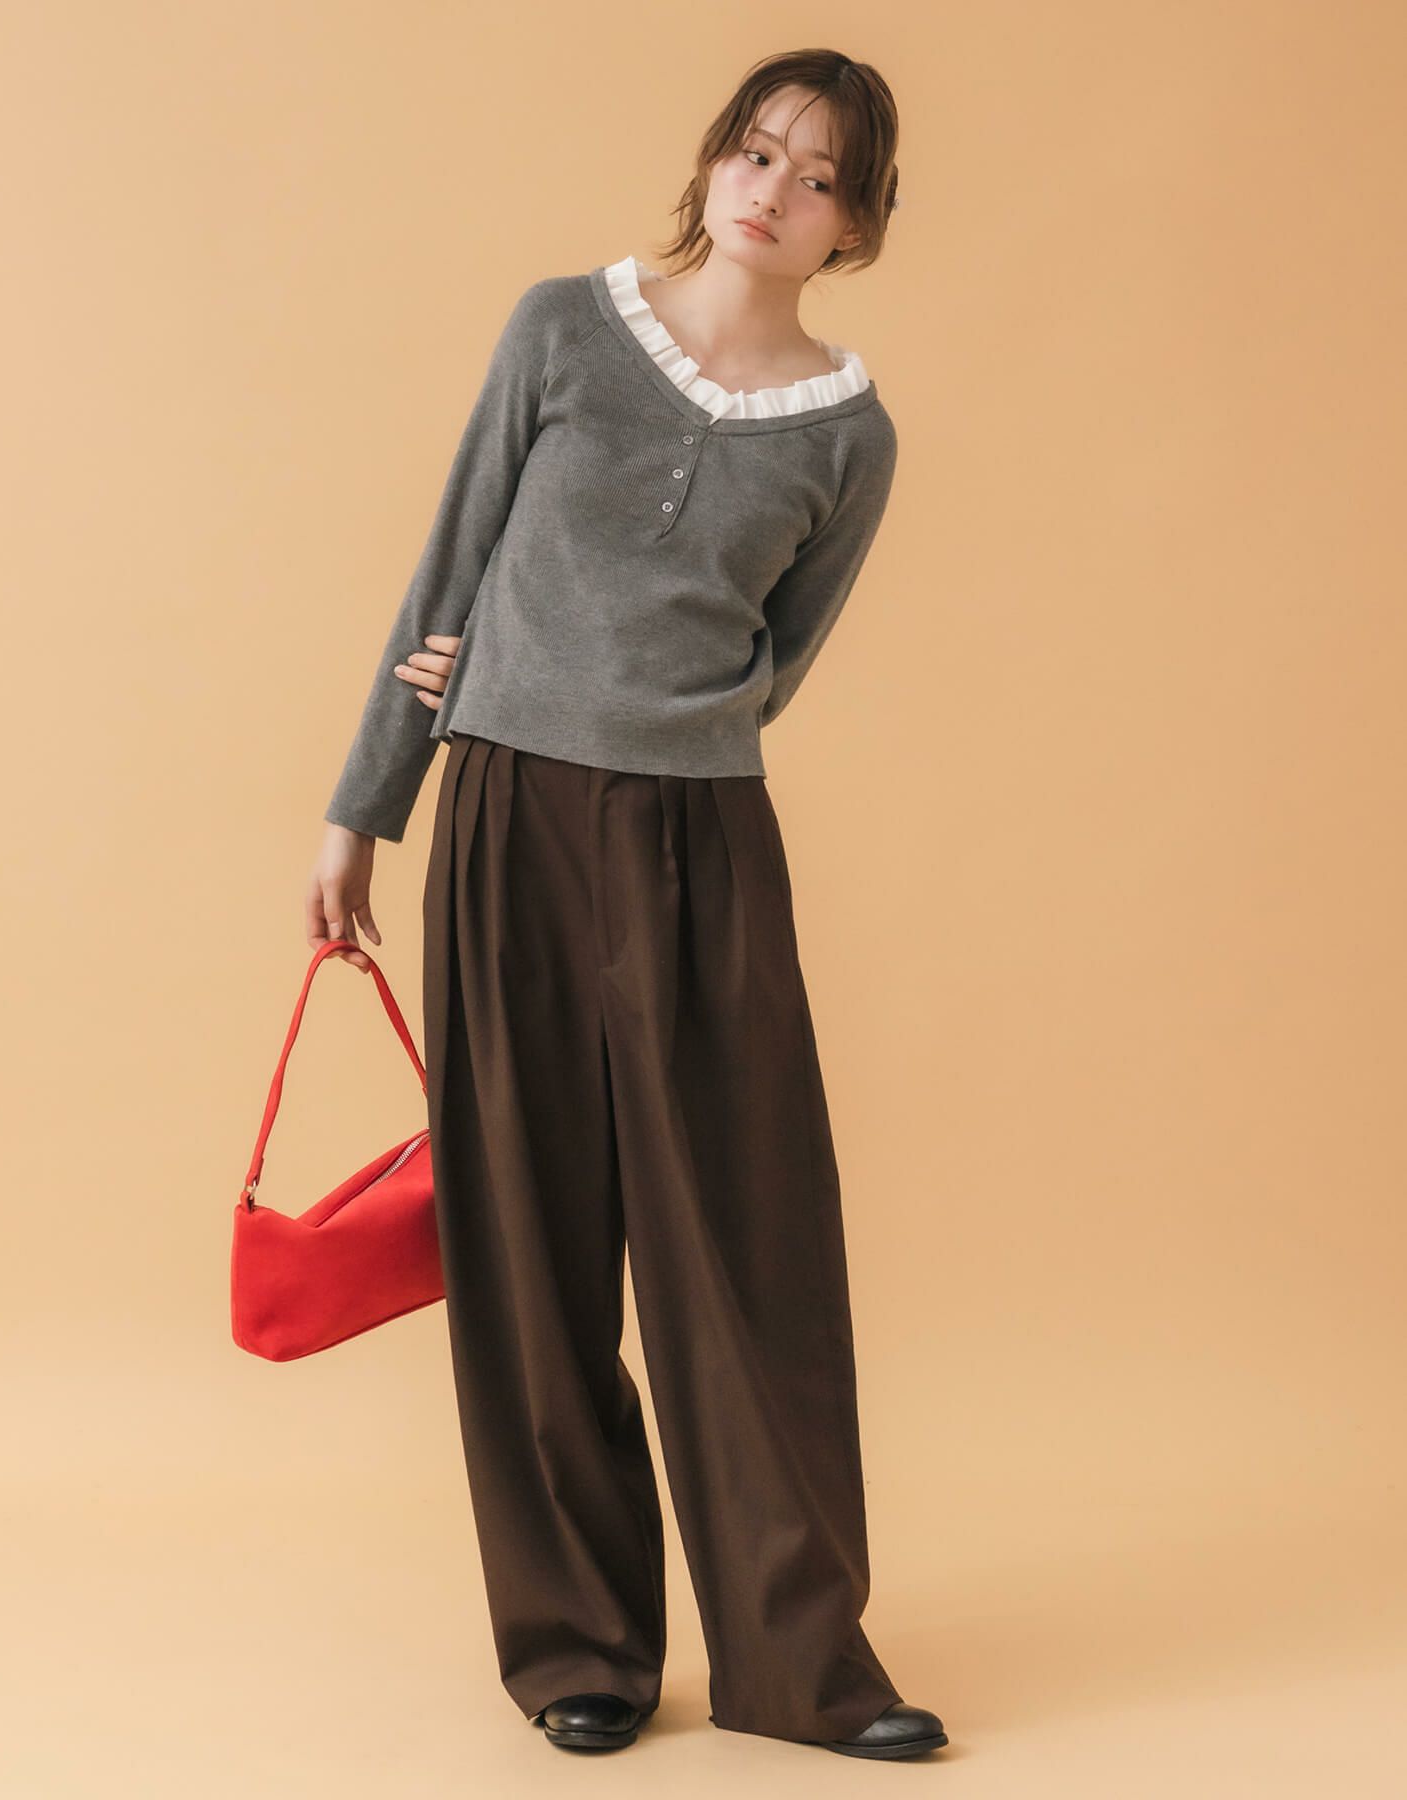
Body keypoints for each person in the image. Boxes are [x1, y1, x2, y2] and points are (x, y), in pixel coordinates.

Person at [303, 48, 948, 1764]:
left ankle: (804, 1668)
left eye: (821, 177)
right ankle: (578, 1648)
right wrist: (366, 806)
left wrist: (640, 717)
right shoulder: (562, 331)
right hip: (505, 813)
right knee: (528, 1231)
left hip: (699, 839)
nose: (775, 191)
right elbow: (451, 575)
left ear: (859, 224)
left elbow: (776, 661)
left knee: (743, 1242)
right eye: (758, 151)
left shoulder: (852, 436)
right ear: (714, 160)